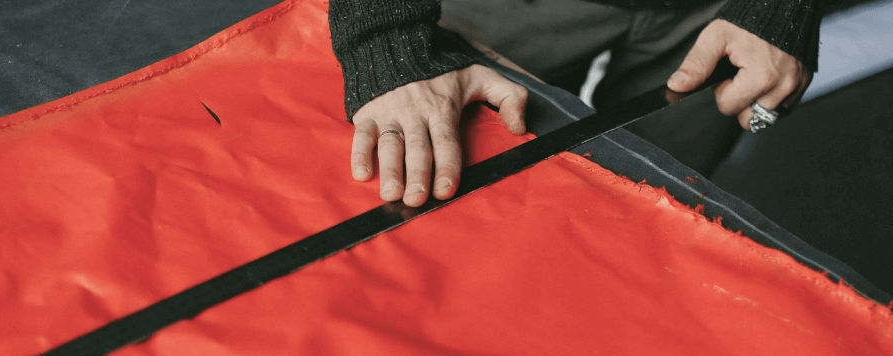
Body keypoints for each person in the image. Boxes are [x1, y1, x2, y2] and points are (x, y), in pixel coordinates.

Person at [329, 0, 822, 207]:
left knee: (651, 204)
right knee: (457, 181)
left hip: (715, 16)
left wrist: (784, 7)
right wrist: (387, 44)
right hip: (511, 9)